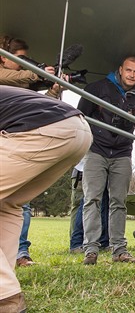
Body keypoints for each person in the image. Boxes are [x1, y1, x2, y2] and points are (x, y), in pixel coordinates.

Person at [0, 85, 92, 312]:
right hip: (77, 129)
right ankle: (4, 290)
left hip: (43, 129)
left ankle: (5, 294)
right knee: (8, 203)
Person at [1, 36, 68, 269]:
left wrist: (53, 89)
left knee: (20, 203)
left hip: (17, 140)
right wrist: (37, 72)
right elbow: (9, 77)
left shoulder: (23, 84)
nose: (22, 64)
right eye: (20, 59)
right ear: (3, 57)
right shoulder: (9, 76)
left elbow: (36, 112)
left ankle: (18, 253)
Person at [78, 56, 135, 265]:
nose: (131, 75)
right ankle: (91, 249)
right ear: (120, 69)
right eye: (128, 70)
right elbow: (81, 115)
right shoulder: (97, 88)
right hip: (96, 151)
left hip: (122, 153)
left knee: (119, 201)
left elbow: (132, 126)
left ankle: (119, 249)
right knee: (92, 199)